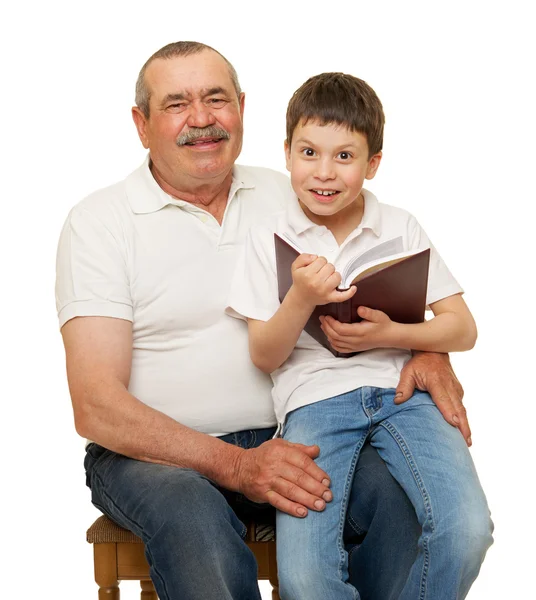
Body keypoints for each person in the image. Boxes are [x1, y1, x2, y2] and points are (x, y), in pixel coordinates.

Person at [55, 41, 473, 600]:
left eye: (216, 99)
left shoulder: (299, 189)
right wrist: (234, 463)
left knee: (401, 504)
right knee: (194, 524)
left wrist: (426, 351)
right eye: (176, 104)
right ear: (141, 123)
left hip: (295, 431)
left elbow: (385, 272)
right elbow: (95, 404)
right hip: (153, 458)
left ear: (243, 109)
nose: (200, 120)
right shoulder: (99, 222)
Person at [226, 72, 493, 599]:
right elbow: (264, 354)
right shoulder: (267, 235)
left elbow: (463, 329)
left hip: (403, 396)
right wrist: (301, 296)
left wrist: (391, 332)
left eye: (344, 157)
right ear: (286, 153)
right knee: (306, 578)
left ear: (372, 164)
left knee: (465, 531)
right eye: (309, 152)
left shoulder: (400, 224)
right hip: (314, 403)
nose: (324, 173)